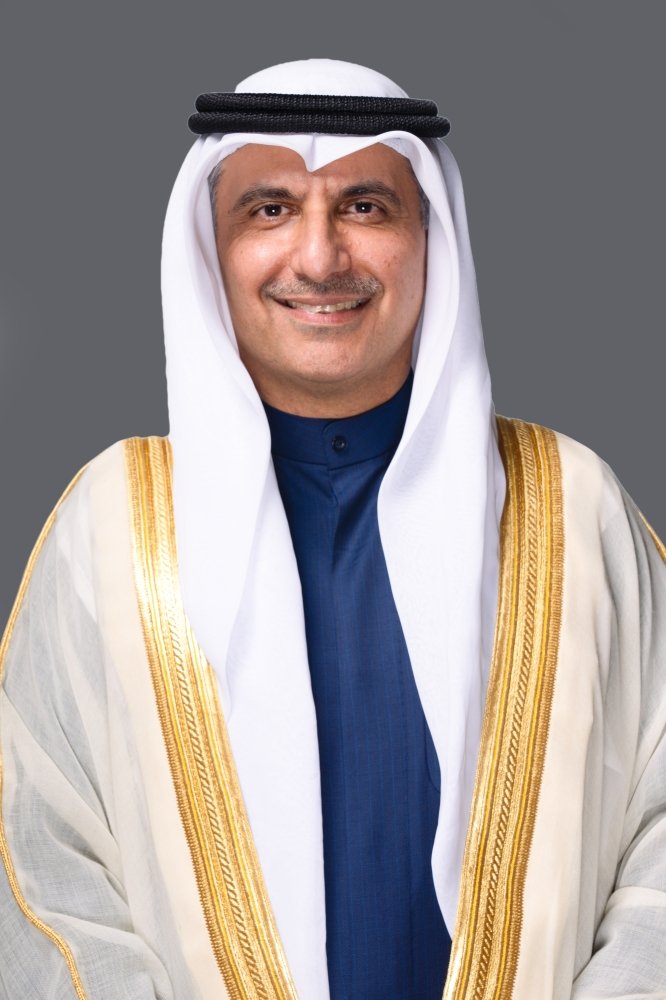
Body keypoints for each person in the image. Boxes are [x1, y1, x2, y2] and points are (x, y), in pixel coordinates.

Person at [0, 57, 664, 1000]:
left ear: (429, 238)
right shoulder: (110, 526)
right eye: (269, 209)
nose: (319, 258)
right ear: (211, 249)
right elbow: (39, 864)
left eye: (365, 207)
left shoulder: (571, 503)